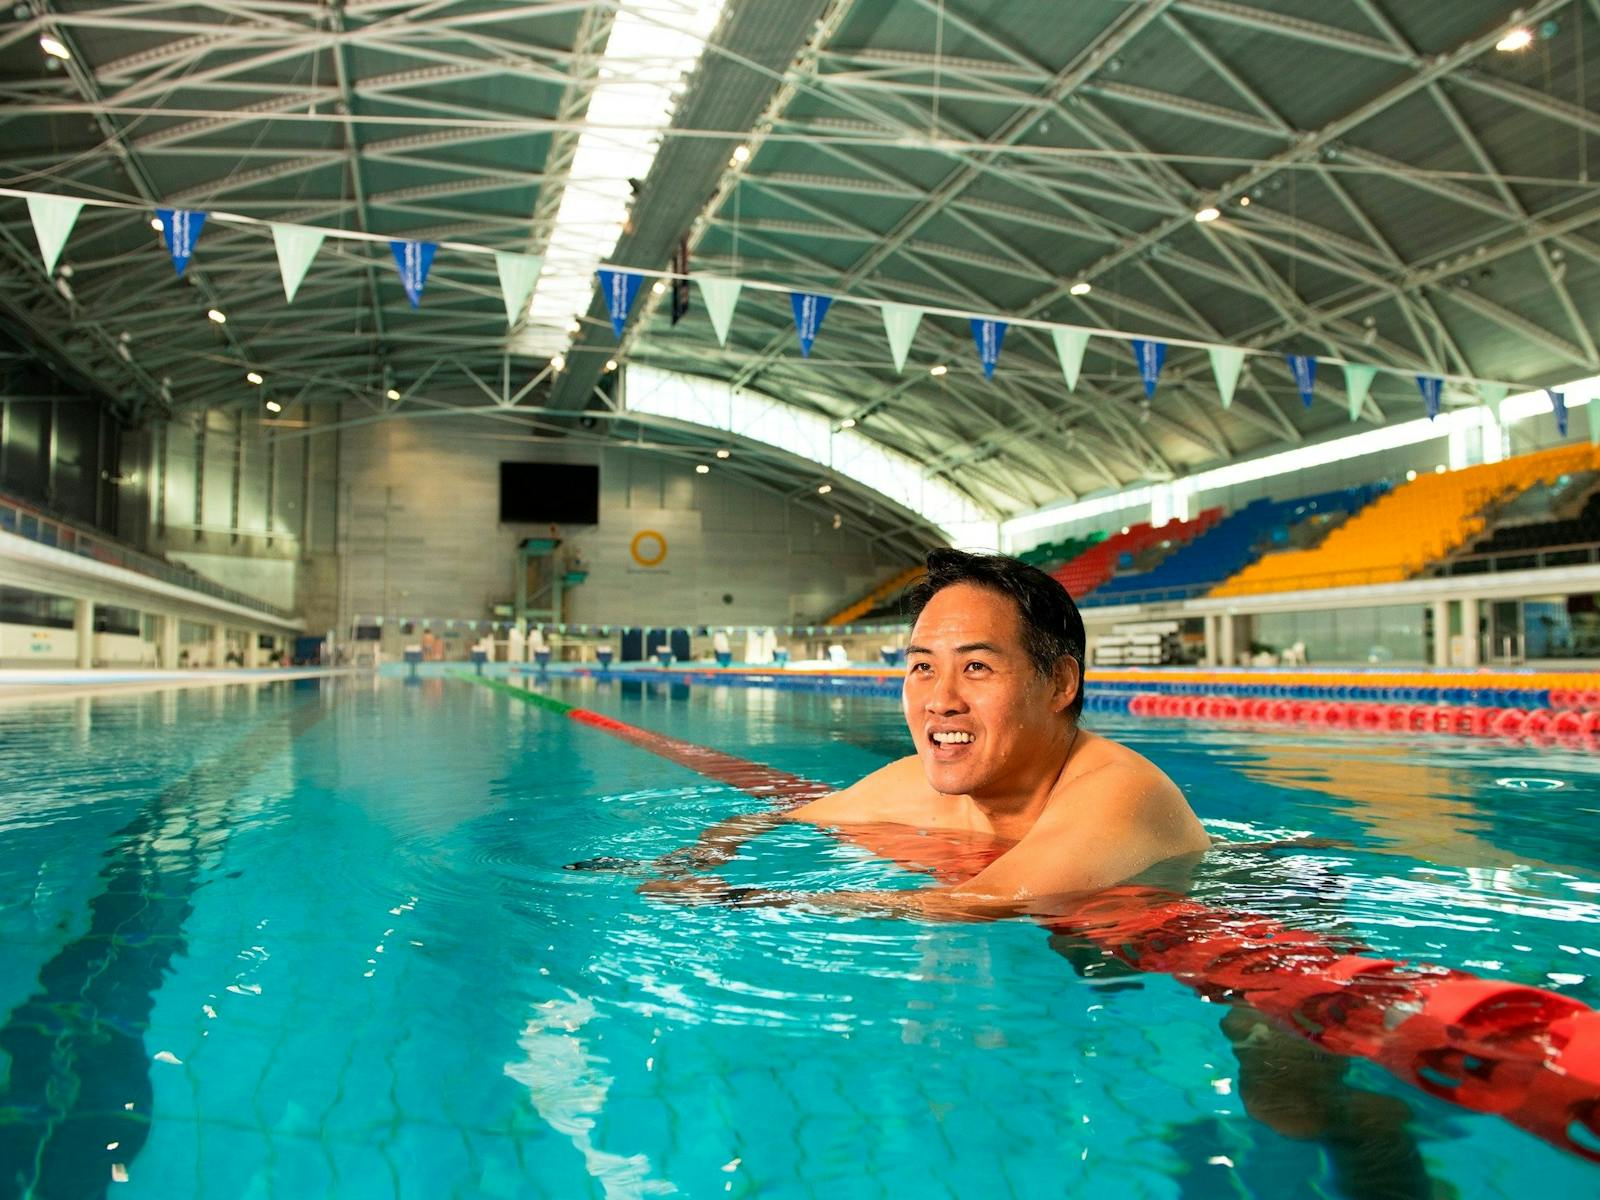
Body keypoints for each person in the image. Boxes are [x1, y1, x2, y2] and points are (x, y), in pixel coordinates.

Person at [641, 548, 1210, 915]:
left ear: (1060, 683)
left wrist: (747, 899)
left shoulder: (1119, 791)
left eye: (977, 667)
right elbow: (778, 815)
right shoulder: (917, 785)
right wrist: (698, 857)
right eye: (922, 666)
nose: (941, 700)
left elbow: (984, 900)